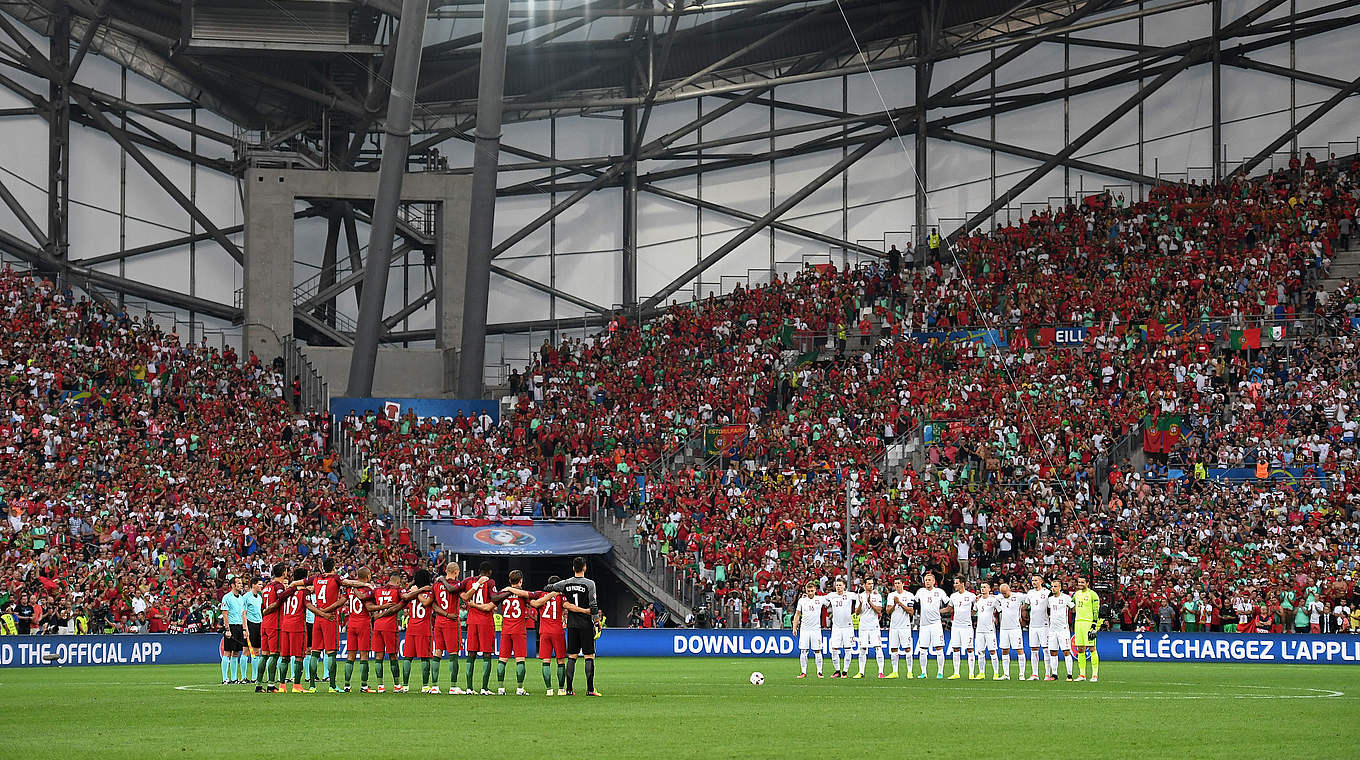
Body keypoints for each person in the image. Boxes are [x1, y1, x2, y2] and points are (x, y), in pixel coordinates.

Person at [544, 556, 601, 696]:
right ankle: (590, 689)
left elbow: (548, 587)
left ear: (573, 568)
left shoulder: (566, 583)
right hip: (586, 623)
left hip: (572, 623)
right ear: (585, 568)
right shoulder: (590, 584)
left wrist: (553, 590)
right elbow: (593, 604)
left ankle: (569, 689)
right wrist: (596, 621)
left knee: (572, 656)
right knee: (589, 656)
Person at [459, 562, 500, 695]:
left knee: (471, 653)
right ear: (489, 572)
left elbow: (459, 591)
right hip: (485, 621)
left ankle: (469, 688)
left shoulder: (469, 581)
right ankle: (484, 688)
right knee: (487, 653)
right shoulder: (490, 582)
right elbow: (494, 598)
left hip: (471, 620)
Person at [370, 570, 409, 693]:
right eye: (400, 583)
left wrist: (376, 614)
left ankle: (380, 686)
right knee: (393, 656)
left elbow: (368, 600)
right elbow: (405, 597)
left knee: (378, 656)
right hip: (389, 626)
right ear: (397, 581)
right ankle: (397, 685)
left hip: (377, 626)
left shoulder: (377, 590)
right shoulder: (397, 590)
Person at [341, 567, 378, 693]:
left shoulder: (350, 588)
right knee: (364, 655)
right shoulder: (367, 589)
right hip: (363, 623)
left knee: (350, 655)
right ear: (367, 577)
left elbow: (342, 601)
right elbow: (368, 605)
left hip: (351, 623)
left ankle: (346, 686)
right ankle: (364, 686)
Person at [497, 569, 533, 695]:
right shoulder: (522, 593)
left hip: (506, 629)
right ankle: (519, 689)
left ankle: (501, 689)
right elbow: (531, 602)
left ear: (509, 580)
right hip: (518, 630)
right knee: (520, 660)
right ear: (521, 580)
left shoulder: (503, 592)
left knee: (502, 660)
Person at [530, 577, 568, 695]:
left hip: (544, 631)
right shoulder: (560, 596)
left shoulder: (541, 595)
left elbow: (533, 603)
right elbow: (567, 607)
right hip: (557, 631)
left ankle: (549, 690)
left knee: (546, 662)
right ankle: (561, 689)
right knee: (560, 661)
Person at [430, 562, 464, 694]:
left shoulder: (437, 584)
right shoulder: (457, 585)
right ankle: (453, 686)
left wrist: (443, 614)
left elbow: (432, 604)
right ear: (456, 571)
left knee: (437, 652)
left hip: (439, 622)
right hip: (451, 623)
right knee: (453, 654)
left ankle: (434, 686)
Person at [401, 569, 435, 694]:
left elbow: (405, 596)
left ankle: (405, 686)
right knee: (425, 658)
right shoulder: (430, 592)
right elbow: (426, 603)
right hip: (424, 627)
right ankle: (425, 686)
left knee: (407, 657)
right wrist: (420, 591)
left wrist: (414, 590)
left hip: (411, 627)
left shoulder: (411, 592)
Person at [259, 563, 290, 692]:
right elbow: (282, 597)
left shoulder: (266, 587)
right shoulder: (278, 585)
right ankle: (271, 685)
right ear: (283, 573)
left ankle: (259, 685)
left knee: (264, 655)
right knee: (274, 655)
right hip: (274, 625)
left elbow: (262, 606)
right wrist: (292, 589)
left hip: (264, 624)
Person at [914, 572, 949, 679]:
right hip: (924, 624)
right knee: (923, 649)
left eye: (929, 580)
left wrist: (940, 611)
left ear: (934, 581)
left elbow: (949, 604)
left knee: (939, 648)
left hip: (936, 624)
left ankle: (940, 672)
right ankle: (923, 672)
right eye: (926, 580)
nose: (927, 582)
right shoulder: (920, 592)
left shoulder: (939, 592)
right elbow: (914, 603)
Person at [791, 581, 827, 679]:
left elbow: (831, 600)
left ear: (815, 590)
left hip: (816, 629)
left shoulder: (820, 599)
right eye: (808, 591)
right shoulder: (802, 601)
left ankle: (819, 672)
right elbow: (797, 614)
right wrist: (794, 627)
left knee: (817, 650)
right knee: (803, 650)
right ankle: (803, 672)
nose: (810, 593)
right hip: (805, 629)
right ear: (806, 590)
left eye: (812, 591)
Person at [944, 576, 977, 679]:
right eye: (955, 583)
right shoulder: (953, 596)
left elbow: (976, 607)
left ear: (962, 583)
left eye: (956, 583)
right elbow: (949, 609)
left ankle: (971, 673)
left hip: (966, 626)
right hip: (956, 626)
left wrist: (970, 615)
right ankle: (956, 673)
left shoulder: (971, 596)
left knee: (970, 649)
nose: (955, 585)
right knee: (956, 648)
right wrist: (936, 611)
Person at [854, 577, 886, 679]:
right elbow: (857, 612)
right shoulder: (860, 596)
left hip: (874, 626)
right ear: (864, 585)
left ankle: (881, 672)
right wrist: (861, 603)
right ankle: (861, 672)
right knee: (863, 648)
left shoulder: (877, 596)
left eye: (872, 584)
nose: (870, 586)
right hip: (863, 626)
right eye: (868, 584)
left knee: (878, 647)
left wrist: (870, 602)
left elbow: (879, 611)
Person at [1045, 578, 1075, 681]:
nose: (1053, 588)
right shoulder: (1050, 599)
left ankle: (1069, 675)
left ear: (1060, 587)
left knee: (1066, 651)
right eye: (1052, 586)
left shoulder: (1066, 598)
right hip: (1052, 629)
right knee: (1053, 652)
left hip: (1063, 629)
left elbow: (1073, 608)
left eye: (1055, 586)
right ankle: (1054, 674)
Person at [825, 578, 855, 678]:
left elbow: (861, 597)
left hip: (848, 627)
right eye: (837, 585)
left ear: (844, 586)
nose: (838, 587)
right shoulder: (831, 595)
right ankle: (837, 670)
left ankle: (845, 672)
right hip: (836, 627)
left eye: (840, 585)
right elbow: (821, 600)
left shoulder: (850, 595)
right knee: (834, 649)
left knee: (848, 649)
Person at [1073, 576, 1101, 682]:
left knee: (1092, 648)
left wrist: (1094, 624)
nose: (1080, 584)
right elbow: (1072, 606)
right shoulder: (1076, 594)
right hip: (1078, 623)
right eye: (1079, 582)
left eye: (1082, 582)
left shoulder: (1092, 594)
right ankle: (1082, 675)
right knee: (1080, 649)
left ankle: (1094, 675)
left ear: (1087, 583)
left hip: (1088, 623)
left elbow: (1096, 610)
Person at [885, 578, 914, 678]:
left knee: (907, 648)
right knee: (893, 648)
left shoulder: (909, 595)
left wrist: (900, 603)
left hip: (904, 626)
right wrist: (894, 604)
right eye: (895, 583)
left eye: (899, 583)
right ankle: (894, 672)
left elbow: (911, 611)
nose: (897, 585)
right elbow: (888, 611)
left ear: (903, 584)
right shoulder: (891, 595)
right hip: (894, 626)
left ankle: (909, 672)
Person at [996, 582, 1026, 680]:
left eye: (1005, 593)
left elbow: (1029, 597)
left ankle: (1021, 674)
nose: (1004, 595)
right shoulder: (999, 598)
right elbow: (989, 597)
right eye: (1002, 593)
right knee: (1004, 650)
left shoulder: (1018, 596)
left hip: (1015, 628)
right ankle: (1006, 674)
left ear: (1009, 590)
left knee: (1019, 649)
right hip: (1004, 628)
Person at [219, 576, 245, 685]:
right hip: (231, 626)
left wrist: (244, 629)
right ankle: (225, 678)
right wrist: (227, 629)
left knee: (235, 653)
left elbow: (243, 614)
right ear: (233, 585)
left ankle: (234, 678)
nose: (241, 585)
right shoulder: (226, 597)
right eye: (238, 583)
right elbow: (225, 614)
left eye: (241, 583)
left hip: (239, 626)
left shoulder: (241, 598)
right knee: (227, 652)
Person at [1024, 575, 1050, 680]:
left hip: (1044, 625)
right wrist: (1023, 615)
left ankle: (1047, 674)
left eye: (1036, 580)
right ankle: (1035, 674)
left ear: (1041, 581)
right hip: (1033, 625)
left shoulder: (1047, 593)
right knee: (1033, 649)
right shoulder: (1030, 593)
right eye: (1032, 580)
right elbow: (1025, 606)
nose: (1033, 582)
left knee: (1045, 649)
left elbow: (1051, 608)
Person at [973, 581, 1000, 680]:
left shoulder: (993, 600)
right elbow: (974, 611)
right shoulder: (978, 601)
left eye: (985, 587)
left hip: (990, 630)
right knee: (980, 652)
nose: (983, 589)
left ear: (989, 589)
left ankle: (996, 673)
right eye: (981, 587)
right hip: (980, 630)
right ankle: (981, 673)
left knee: (992, 651)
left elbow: (1000, 610)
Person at [242, 579, 264, 688]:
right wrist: (245, 628)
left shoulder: (259, 598)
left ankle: (255, 677)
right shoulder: (246, 597)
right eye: (259, 584)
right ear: (253, 585)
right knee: (246, 650)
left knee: (257, 651)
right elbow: (243, 613)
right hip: (250, 624)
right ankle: (243, 677)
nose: (261, 586)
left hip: (259, 624)